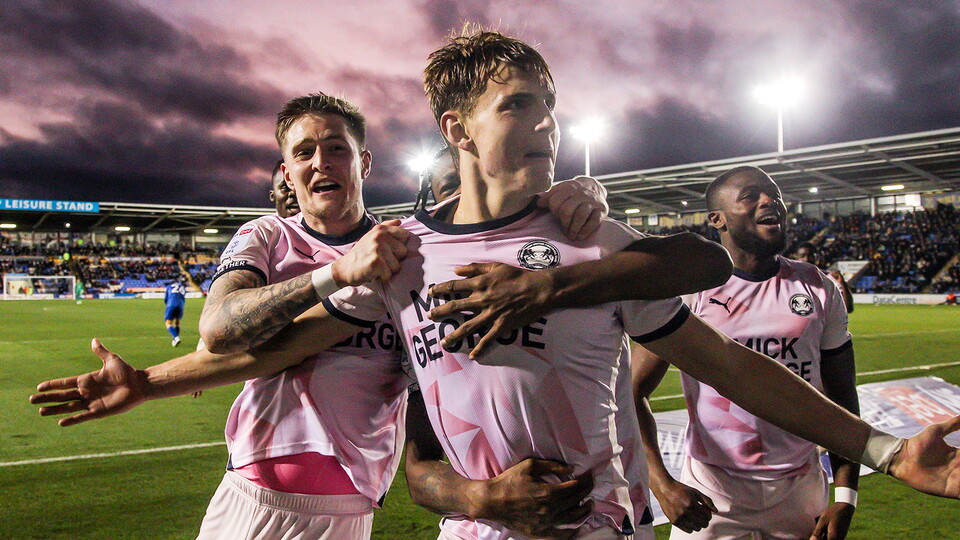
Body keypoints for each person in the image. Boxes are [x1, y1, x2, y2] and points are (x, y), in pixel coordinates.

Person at [632, 166, 862, 539]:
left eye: (775, 194)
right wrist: (661, 483)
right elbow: (631, 390)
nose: (771, 201)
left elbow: (843, 400)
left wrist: (846, 496)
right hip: (711, 493)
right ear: (717, 219)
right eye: (751, 195)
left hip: (801, 492)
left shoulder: (819, 288)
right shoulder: (689, 290)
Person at [794, 241, 854, 313]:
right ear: (796, 258)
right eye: (802, 256)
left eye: (811, 256)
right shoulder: (789, 279)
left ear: (817, 258)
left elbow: (848, 308)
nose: (806, 259)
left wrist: (843, 283)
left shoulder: (829, 278)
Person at [164, 277, 187, 346]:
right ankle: (175, 339)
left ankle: (176, 338)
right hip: (180, 305)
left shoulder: (169, 286)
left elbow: (165, 299)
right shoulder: (182, 287)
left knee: (168, 323)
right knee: (177, 323)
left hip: (171, 304)